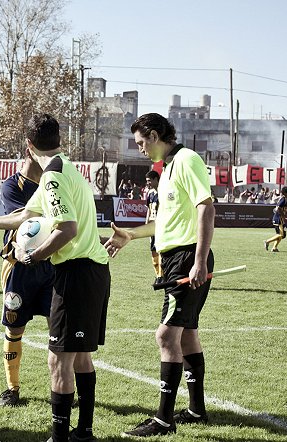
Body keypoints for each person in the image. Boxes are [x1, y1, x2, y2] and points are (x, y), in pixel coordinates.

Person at [0, 114, 110, 442]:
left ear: (28, 147)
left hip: (76, 273)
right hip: (91, 271)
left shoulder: (52, 176)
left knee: (59, 361)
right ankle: (83, 432)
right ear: (60, 141)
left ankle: (59, 436)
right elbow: (23, 216)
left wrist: (34, 255)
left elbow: (66, 230)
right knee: (79, 356)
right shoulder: (65, 169)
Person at [104, 113, 215, 437]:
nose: (140, 149)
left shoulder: (186, 160)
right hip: (176, 257)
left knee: (166, 336)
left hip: (186, 257)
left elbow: (206, 208)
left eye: (140, 142)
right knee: (187, 334)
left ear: (154, 135)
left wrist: (198, 261)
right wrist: (130, 235)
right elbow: (163, 224)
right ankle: (196, 411)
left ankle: (164, 421)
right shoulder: (166, 170)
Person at [0, 146, 55, 407]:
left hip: (51, 265)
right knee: (14, 326)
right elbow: (26, 221)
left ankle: (61, 387)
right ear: (30, 153)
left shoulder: (53, 185)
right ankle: (12, 388)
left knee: (58, 326)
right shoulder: (12, 186)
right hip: (18, 267)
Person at [144, 170, 163, 284]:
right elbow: (149, 209)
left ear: (156, 179)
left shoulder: (163, 192)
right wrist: (146, 224)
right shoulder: (150, 193)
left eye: (149, 180)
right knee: (153, 251)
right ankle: (158, 275)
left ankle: (162, 275)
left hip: (160, 226)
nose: (148, 183)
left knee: (160, 250)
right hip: (152, 226)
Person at [264, 186, 287, 252]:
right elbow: (278, 208)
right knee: (281, 235)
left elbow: (282, 208)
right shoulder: (283, 199)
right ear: (285, 193)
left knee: (282, 235)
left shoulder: (286, 199)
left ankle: (274, 248)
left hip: (280, 219)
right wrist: (284, 216)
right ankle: (267, 241)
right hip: (279, 219)